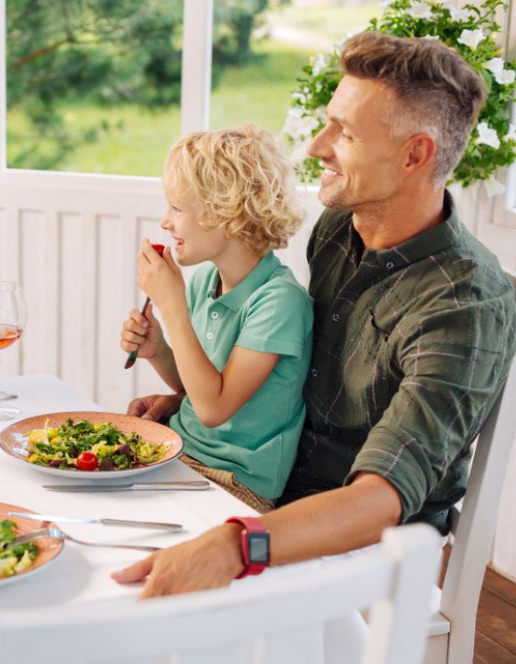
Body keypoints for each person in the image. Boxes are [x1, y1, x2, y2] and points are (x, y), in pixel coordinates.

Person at [114, 32, 516, 597]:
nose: (316, 147)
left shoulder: (465, 305)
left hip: (368, 549)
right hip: (273, 495)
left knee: (142, 603)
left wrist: (239, 544)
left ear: (414, 155)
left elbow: (381, 498)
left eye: (345, 132)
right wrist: (185, 398)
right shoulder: (338, 230)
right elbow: (292, 372)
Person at [120, 126, 312, 512]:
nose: (165, 222)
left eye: (177, 207)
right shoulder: (207, 280)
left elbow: (213, 409)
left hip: (236, 483)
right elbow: (197, 387)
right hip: (182, 456)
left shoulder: (279, 302)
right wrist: (159, 351)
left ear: (226, 212)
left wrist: (172, 308)